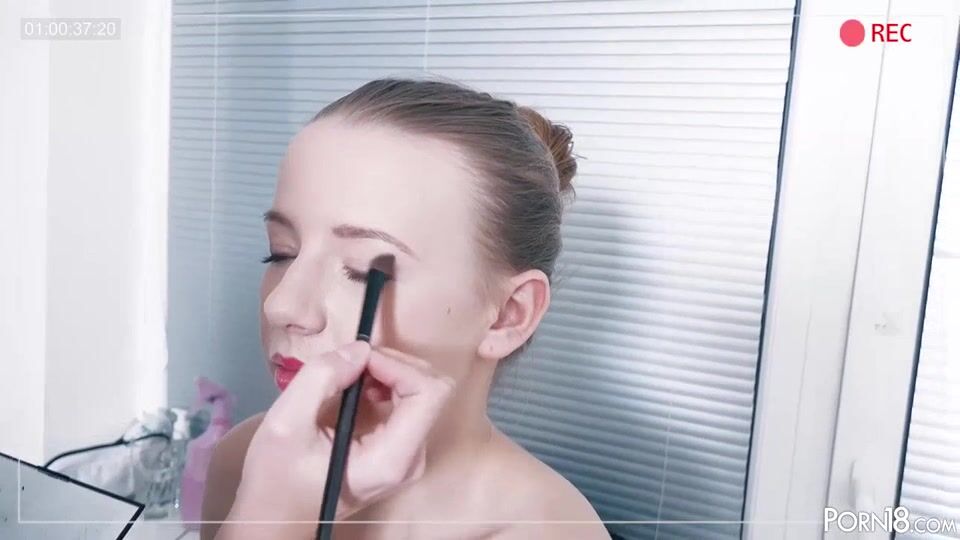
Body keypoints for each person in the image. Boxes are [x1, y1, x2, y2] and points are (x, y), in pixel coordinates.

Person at [201, 78, 610, 540]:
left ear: (507, 314)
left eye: (360, 270)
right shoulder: (252, 460)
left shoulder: (545, 530)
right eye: (281, 253)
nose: (281, 305)